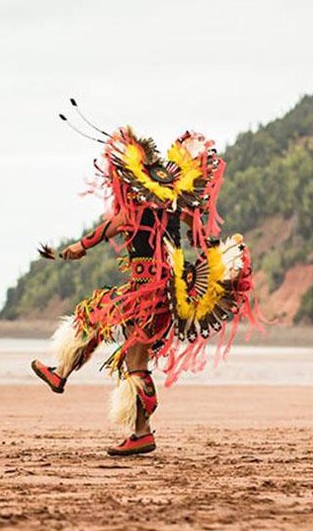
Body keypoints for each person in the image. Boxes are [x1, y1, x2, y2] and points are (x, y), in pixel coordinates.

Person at [31, 124, 255, 457]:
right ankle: (83, 390)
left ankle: (133, 427)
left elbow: (109, 227)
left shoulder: (137, 209)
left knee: (102, 324)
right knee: (123, 348)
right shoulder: (170, 208)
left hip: (147, 293)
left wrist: (77, 247)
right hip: (164, 293)